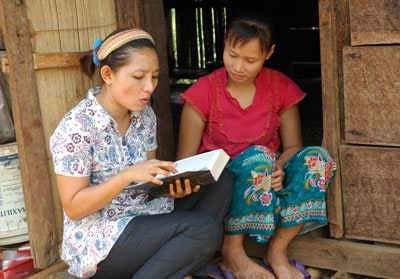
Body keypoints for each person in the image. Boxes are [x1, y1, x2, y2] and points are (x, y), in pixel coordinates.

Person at [49, 28, 234, 279]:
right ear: (107, 74)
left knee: (222, 181)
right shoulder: (76, 128)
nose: (149, 87)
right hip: (101, 239)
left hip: (144, 214)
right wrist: (126, 176)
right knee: (203, 230)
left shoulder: (144, 116)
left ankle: (181, 270)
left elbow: (147, 184)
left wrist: (171, 186)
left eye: (154, 77)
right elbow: (74, 207)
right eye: (138, 77)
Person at [177, 16, 337, 279]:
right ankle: (233, 252)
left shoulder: (280, 87)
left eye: (251, 60)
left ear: (269, 53)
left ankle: (277, 251)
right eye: (232, 54)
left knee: (317, 158)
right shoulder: (203, 92)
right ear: (224, 45)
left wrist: (280, 169)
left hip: (268, 179)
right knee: (259, 158)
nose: (239, 67)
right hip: (221, 187)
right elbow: (185, 161)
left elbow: (294, 145)